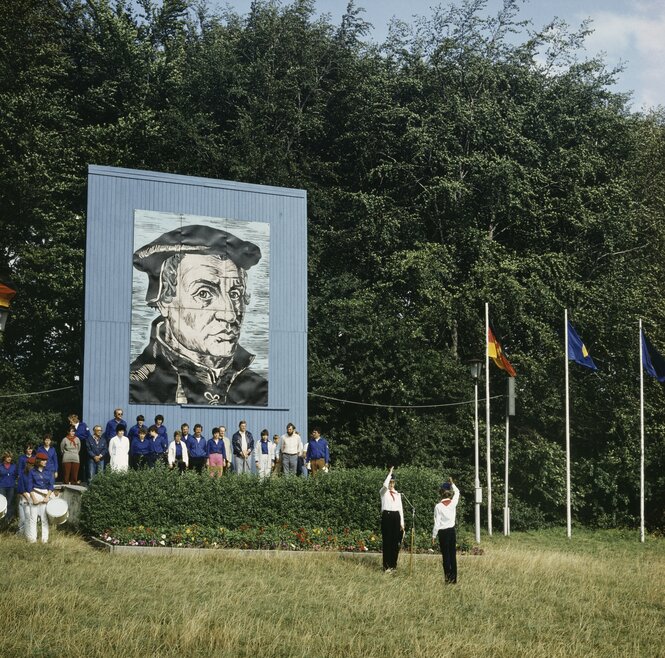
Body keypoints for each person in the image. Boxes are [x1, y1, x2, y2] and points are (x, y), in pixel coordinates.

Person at [129, 225, 268, 406]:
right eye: (204, 293)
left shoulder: (260, 390)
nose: (230, 315)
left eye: (235, 294)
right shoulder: (138, 386)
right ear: (164, 301)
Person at [432, 478, 460, 584]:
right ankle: (454, 579)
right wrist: (452, 483)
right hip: (451, 531)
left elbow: (437, 523)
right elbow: (457, 492)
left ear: (441, 493)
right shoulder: (453, 503)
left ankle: (447, 579)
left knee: (446, 556)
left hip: (443, 532)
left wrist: (434, 536)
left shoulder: (438, 507)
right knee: (453, 555)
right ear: (449, 493)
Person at [26, 452, 55, 543]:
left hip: (45, 494)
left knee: (44, 518)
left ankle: (44, 540)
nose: (45, 461)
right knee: (33, 518)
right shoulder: (32, 471)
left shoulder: (49, 471)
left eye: (46, 460)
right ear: (38, 461)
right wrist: (33, 498)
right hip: (35, 493)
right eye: (43, 460)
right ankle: (32, 539)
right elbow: (29, 486)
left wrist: (47, 497)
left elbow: (51, 486)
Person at [380, 467, 404, 573]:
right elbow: (385, 486)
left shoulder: (398, 494)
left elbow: (400, 509)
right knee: (387, 542)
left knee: (395, 542)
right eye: (390, 482)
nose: (391, 484)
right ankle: (386, 567)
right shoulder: (383, 492)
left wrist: (402, 522)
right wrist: (389, 473)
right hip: (387, 516)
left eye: (393, 482)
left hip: (396, 517)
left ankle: (393, 566)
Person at [16, 456, 35, 537]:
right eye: (31, 464)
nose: (32, 466)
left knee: (31, 520)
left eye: (34, 465)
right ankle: (19, 535)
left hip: (33, 499)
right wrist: (28, 498)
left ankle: (29, 535)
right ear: (27, 464)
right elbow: (21, 488)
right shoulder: (23, 475)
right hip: (24, 499)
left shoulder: (35, 475)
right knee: (23, 519)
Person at [0, 451, 17, 525]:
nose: (9, 458)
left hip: (11, 486)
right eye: (8, 457)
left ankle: (8, 520)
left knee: (9, 503)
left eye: (10, 457)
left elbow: (16, 475)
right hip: (2, 486)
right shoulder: (0, 466)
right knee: (2, 503)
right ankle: (2, 520)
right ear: (4, 458)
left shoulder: (14, 466)